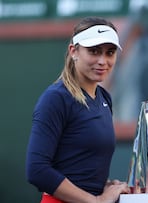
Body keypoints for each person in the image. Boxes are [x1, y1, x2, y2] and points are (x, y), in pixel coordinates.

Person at [26, 17, 130, 203]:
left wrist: (106, 186)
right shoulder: (56, 98)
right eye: (94, 51)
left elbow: (79, 167)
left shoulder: (104, 98)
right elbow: (37, 170)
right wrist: (97, 201)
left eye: (110, 52)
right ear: (74, 51)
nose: (102, 61)